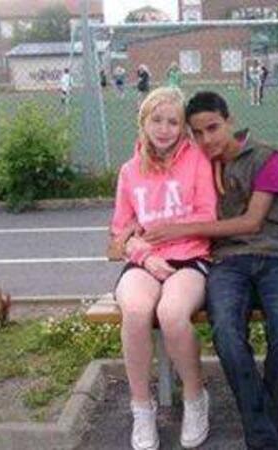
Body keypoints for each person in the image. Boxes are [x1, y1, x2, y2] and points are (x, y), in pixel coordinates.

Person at [142, 91, 278, 450]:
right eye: (197, 133)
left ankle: (273, 438)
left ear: (230, 121)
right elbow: (152, 181)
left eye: (213, 128)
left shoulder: (269, 156)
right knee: (227, 335)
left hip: (275, 258)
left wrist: (180, 229)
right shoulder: (198, 163)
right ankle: (264, 436)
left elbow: (251, 222)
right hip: (227, 262)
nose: (206, 139)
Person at [109, 87, 216, 450]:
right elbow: (121, 232)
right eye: (157, 120)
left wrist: (171, 234)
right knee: (136, 309)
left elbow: (207, 216)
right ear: (143, 122)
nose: (165, 129)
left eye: (173, 122)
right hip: (146, 259)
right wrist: (145, 257)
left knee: (171, 313)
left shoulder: (197, 160)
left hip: (189, 257)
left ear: (183, 127)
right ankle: (142, 407)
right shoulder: (129, 171)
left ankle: (195, 397)